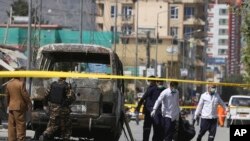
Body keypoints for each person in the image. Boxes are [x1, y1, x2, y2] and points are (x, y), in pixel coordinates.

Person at [135, 76, 160, 141]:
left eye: (150, 81)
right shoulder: (158, 89)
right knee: (156, 130)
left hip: (149, 112)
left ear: (153, 81)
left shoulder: (151, 88)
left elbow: (143, 98)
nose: (149, 82)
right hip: (156, 112)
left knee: (147, 129)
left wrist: (138, 108)